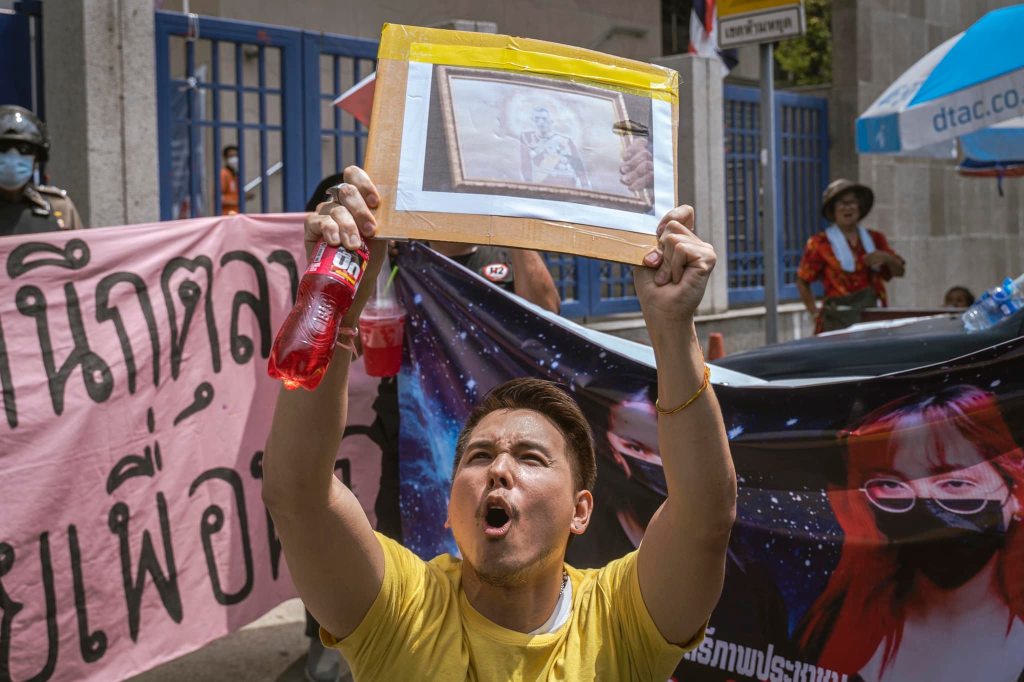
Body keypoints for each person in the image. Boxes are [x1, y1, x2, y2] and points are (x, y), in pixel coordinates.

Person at [262, 165, 736, 680]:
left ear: (580, 511)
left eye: (531, 457)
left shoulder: (619, 622)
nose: (499, 469)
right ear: (450, 508)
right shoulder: (401, 613)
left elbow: (705, 514)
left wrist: (673, 329)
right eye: (480, 455)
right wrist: (335, 305)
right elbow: (298, 495)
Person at [797, 385, 1024, 682]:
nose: (925, 506)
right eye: (891, 485)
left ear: (1015, 491)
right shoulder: (834, 630)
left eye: (955, 483)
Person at [796, 179, 906, 334]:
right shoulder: (819, 243)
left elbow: (900, 272)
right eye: (842, 203)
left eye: (852, 202)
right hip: (838, 320)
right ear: (833, 209)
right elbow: (802, 280)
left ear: (859, 207)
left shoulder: (875, 239)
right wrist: (814, 314)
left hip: (872, 317)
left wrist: (887, 258)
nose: (847, 208)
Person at [0, 105, 83, 236]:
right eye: (2, 148)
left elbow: (80, 247)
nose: (13, 157)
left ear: (36, 159)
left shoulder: (59, 207)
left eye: (24, 149)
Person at [519, 107, 590, 190]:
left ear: (551, 121)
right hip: (541, 185)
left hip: (566, 186)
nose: (541, 122)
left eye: (544, 119)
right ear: (532, 121)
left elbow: (578, 166)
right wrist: (528, 183)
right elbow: (525, 164)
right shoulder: (527, 138)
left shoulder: (565, 141)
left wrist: (585, 184)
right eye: (537, 119)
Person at [220, 145, 240, 215]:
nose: (234, 159)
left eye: (236, 155)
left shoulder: (235, 174)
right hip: (226, 215)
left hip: (235, 213)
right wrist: (236, 201)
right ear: (225, 158)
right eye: (231, 156)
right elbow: (219, 197)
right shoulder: (224, 174)